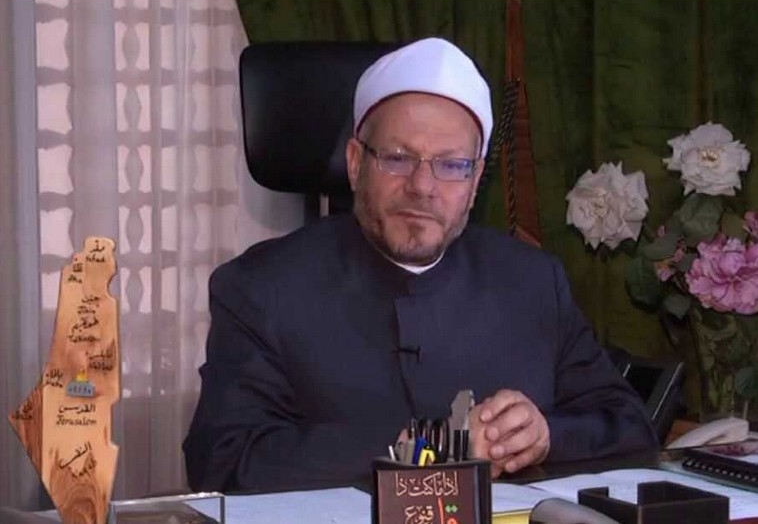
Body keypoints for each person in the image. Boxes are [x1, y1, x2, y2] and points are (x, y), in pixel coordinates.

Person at [182, 37, 658, 493]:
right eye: (398, 158)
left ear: (475, 181)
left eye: (452, 165)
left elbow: (630, 425)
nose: (423, 186)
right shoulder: (262, 287)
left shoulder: (532, 281)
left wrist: (546, 436)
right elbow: (222, 460)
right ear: (355, 163)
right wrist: (430, 448)